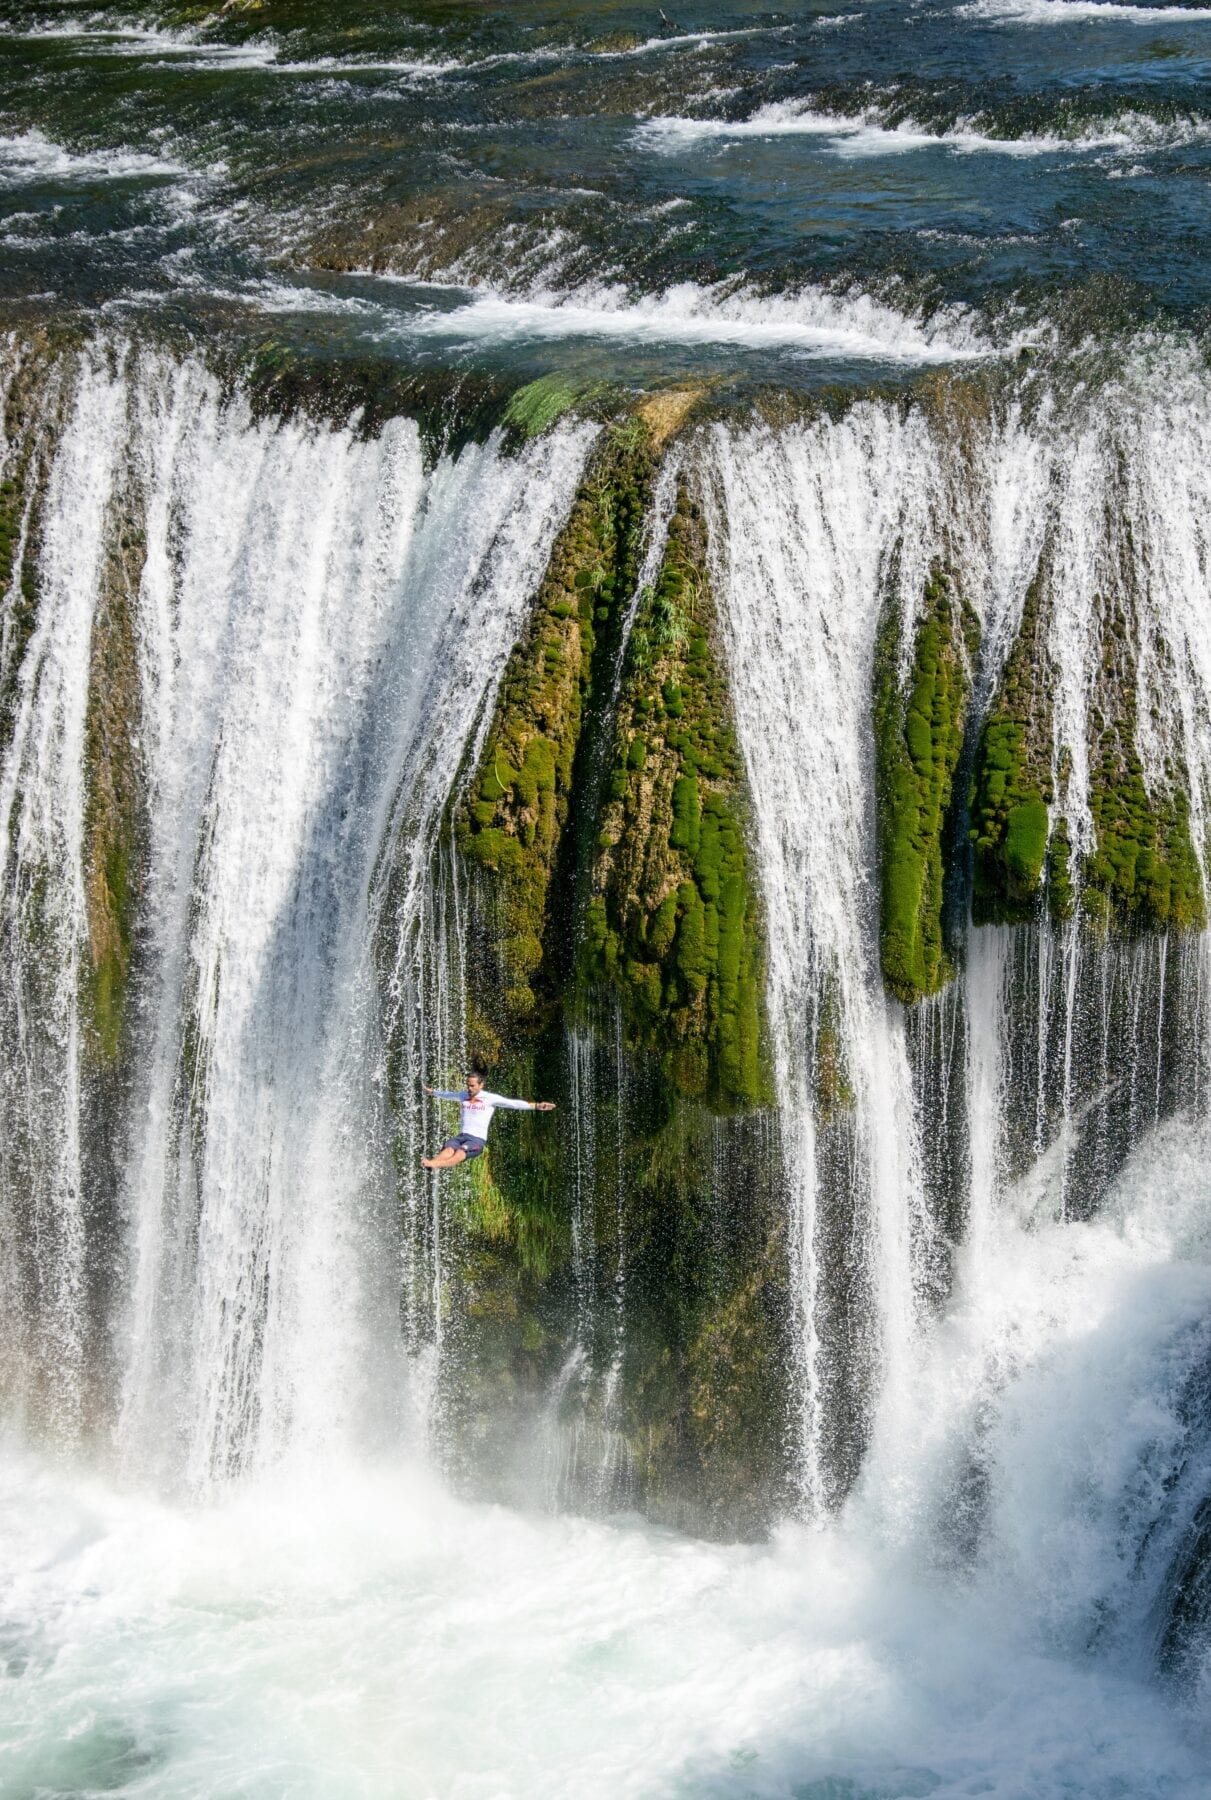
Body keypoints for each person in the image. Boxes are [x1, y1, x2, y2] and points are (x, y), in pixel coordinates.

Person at [421, 1067, 555, 1170]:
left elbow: (513, 1104)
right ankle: (432, 1163)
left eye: (472, 1085)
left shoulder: (490, 1098)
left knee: (460, 1152)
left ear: (481, 1085)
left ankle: (436, 1164)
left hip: (476, 1140)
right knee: (449, 1149)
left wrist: (536, 1105)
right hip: (461, 1136)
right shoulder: (463, 1095)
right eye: (468, 1085)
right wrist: (433, 1092)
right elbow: (449, 1095)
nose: (469, 1088)